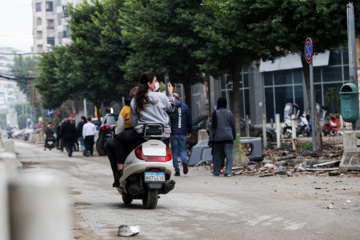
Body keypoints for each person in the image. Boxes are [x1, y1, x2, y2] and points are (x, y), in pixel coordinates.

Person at [114, 71, 175, 185]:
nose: (156, 83)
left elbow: (133, 121)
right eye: (155, 81)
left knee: (119, 139)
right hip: (163, 136)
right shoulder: (162, 96)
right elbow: (171, 108)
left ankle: (120, 170)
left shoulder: (136, 99)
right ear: (150, 84)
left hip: (141, 135)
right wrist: (170, 94)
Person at [105, 87, 138, 187]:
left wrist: (115, 128)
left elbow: (119, 130)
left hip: (132, 139)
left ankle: (118, 173)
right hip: (153, 137)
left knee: (111, 143)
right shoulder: (151, 105)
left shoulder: (127, 109)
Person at [208, 97, 236, 177]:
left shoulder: (215, 113)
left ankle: (216, 171)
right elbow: (233, 126)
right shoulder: (229, 113)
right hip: (228, 137)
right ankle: (228, 171)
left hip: (218, 137)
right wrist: (234, 136)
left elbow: (212, 128)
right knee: (229, 155)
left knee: (217, 155)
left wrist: (211, 139)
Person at [170, 93, 192, 176]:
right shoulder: (185, 107)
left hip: (174, 133)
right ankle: (184, 161)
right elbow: (189, 120)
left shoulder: (171, 107)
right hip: (183, 132)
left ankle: (177, 171)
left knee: (174, 152)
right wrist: (189, 131)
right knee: (182, 150)